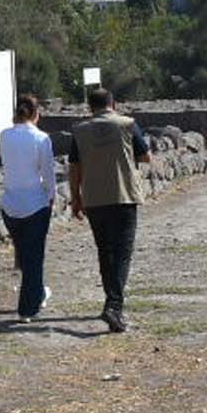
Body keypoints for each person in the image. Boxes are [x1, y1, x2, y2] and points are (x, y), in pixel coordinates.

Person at [68, 85, 151, 331]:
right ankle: (114, 306)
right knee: (123, 252)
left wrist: (75, 197)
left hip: (94, 198)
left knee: (105, 251)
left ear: (89, 107)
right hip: (124, 195)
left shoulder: (80, 131)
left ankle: (111, 302)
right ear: (113, 104)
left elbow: (74, 166)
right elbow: (146, 156)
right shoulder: (127, 124)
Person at [0, 92, 57, 322]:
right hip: (34, 203)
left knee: (25, 254)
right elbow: (48, 173)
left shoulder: (4, 135)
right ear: (36, 113)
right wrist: (51, 196)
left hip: (10, 204)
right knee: (34, 257)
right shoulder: (42, 139)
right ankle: (27, 308)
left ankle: (39, 292)